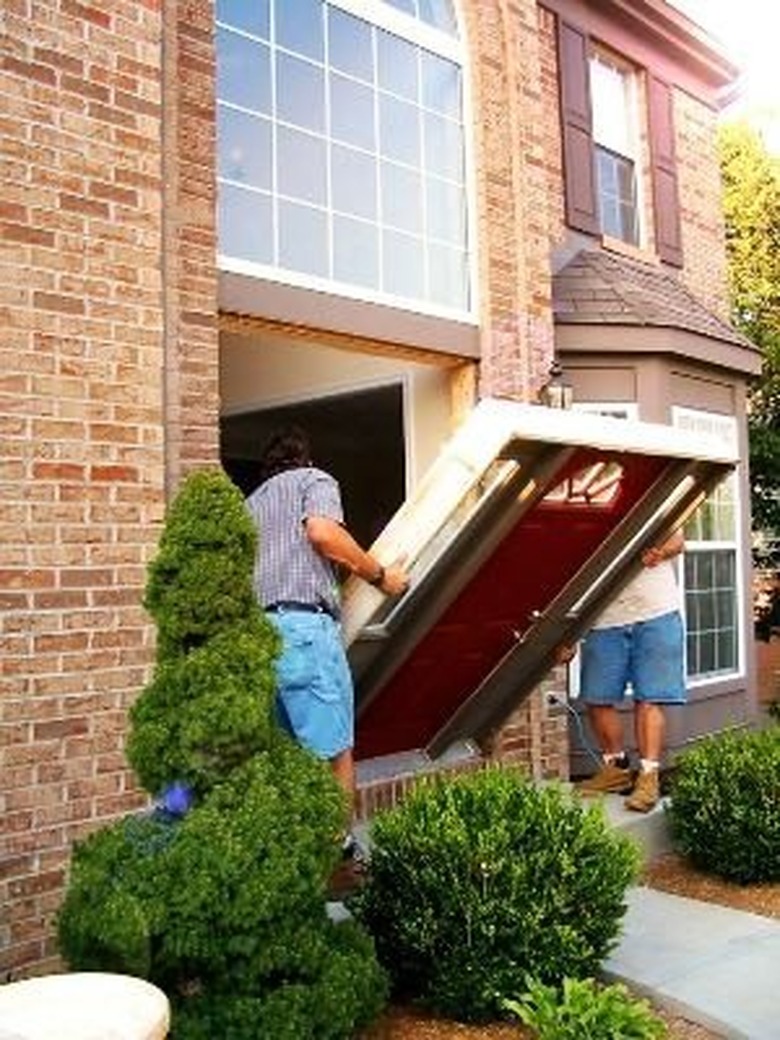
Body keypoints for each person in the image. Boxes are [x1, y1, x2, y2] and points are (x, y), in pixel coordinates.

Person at [245, 425, 409, 837]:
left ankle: (294, 852)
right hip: (304, 630)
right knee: (335, 751)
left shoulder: (250, 505)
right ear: (307, 459)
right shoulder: (314, 480)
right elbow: (322, 532)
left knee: (286, 755)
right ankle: (338, 856)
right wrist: (381, 576)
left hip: (258, 635)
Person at [574, 528, 686, 813]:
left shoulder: (651, 495)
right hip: (604, 618)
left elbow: (677, 540)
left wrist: (661, 552)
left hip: (655, 613)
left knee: (648, 698)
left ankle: (648, 777)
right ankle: (616, 770)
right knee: (597, 697)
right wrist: (568, 633)